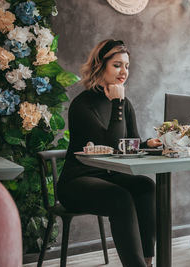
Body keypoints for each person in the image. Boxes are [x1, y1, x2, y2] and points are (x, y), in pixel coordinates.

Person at [58, 39, 161, 267]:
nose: (124, 72)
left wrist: (148, 144)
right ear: (100, 65)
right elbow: (111, 145)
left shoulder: (125, 103)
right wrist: (117, 103)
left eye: (127, 66)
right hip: (76, 182)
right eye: (117, 65)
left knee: (146, 186)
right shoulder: (82, 105)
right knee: (120, 197)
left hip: (106, 176)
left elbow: (130, 144)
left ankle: (147, 261)